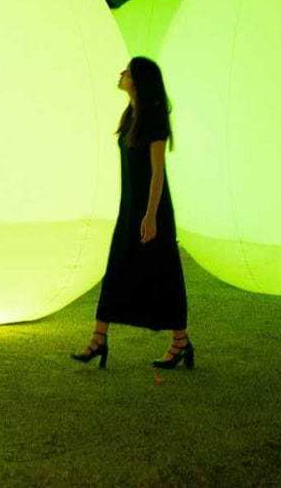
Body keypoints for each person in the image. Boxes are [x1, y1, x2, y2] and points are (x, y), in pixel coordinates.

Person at [70, 56, 192, 370]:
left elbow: (157, 173)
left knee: (163, 274)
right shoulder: (130, 115)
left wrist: (151, 215)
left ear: (137, 81)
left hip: (152, 210)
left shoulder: (154, 119)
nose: (121, 73)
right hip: (130, 209)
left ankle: (180, 341)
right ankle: (99, 338)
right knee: (118, 269)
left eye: (127, 71)